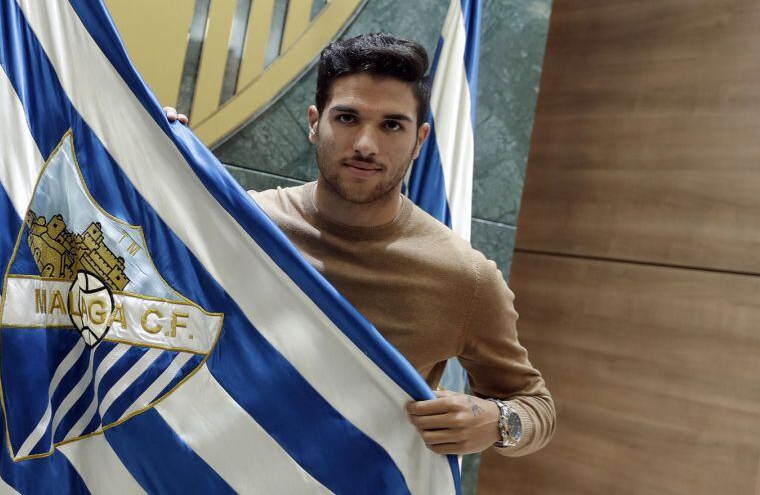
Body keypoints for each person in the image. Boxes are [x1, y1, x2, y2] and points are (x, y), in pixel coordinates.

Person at [165, 33, 555, 457]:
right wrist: (145, 157)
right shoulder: (240, 224)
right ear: (315, 123)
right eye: (348, 118)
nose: (366, 145)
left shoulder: (464, 278)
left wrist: (499, 423)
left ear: (420, 140)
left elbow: (535, 406)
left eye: (391, 125)